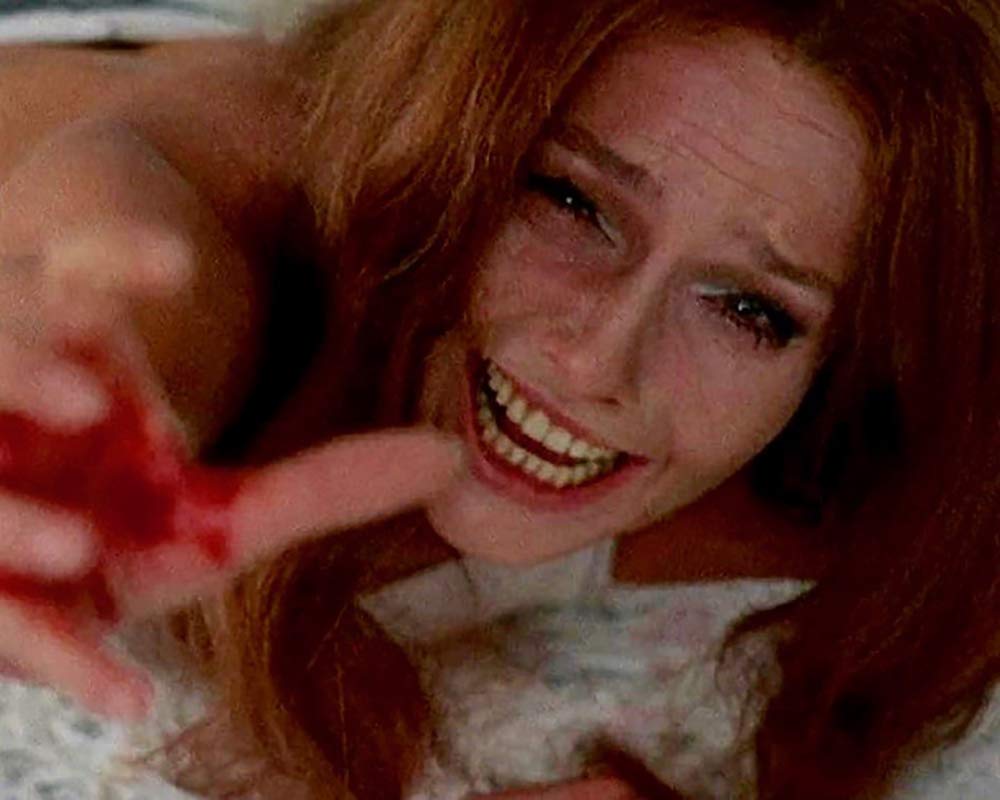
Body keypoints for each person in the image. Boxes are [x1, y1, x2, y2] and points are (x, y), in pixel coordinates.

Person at [0, 0, 997, 798]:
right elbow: (125, 226)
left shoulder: (834, 513)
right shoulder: (269, 178)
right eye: (571, 201)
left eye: (750, 309)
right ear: (459, 138)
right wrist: (58, 400)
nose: (599, 359)